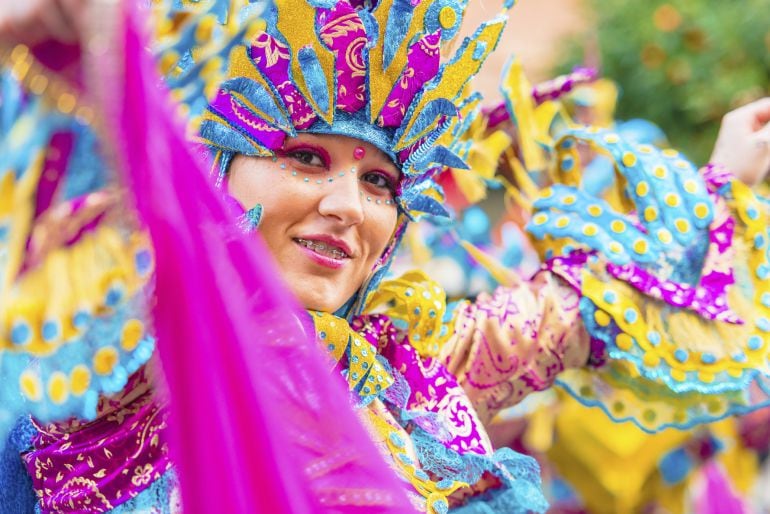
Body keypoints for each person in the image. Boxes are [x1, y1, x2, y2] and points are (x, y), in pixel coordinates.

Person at [1, 1, 770, 513]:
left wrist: (725, 177)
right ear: (213, 173)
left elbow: (586, 302)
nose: (349, 207)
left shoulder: (418, 373)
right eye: (305, 158)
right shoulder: (132, 348)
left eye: (379, 182)